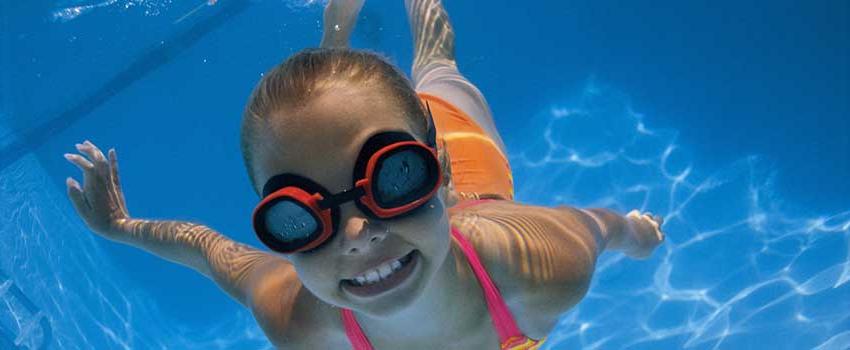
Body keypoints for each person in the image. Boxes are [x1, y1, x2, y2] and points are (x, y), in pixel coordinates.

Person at [63, 1, 664, 348]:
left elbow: (598, 227)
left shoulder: (540, 266)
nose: (356, 234)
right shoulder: (301, 323)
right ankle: (337, 46)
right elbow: (216, 255)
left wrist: (636, 234)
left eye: (395, 178)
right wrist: (121, 226)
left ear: (438, 170)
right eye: (301, 215)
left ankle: (351, 43)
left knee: (435, 61)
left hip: (472, 161)